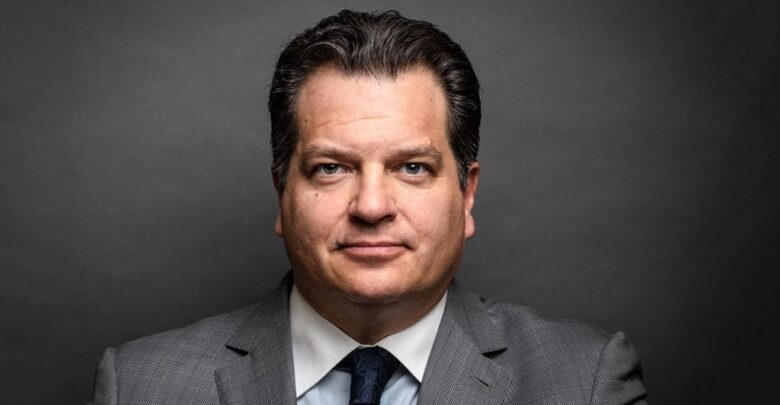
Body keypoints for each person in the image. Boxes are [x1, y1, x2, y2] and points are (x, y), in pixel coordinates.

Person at [89, 10, 647, 405]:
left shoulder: (584, 382)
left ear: (466, 194)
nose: (372, 206)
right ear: (282, 192)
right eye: (331, 168)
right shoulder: (139, 387)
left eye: (413, 167)